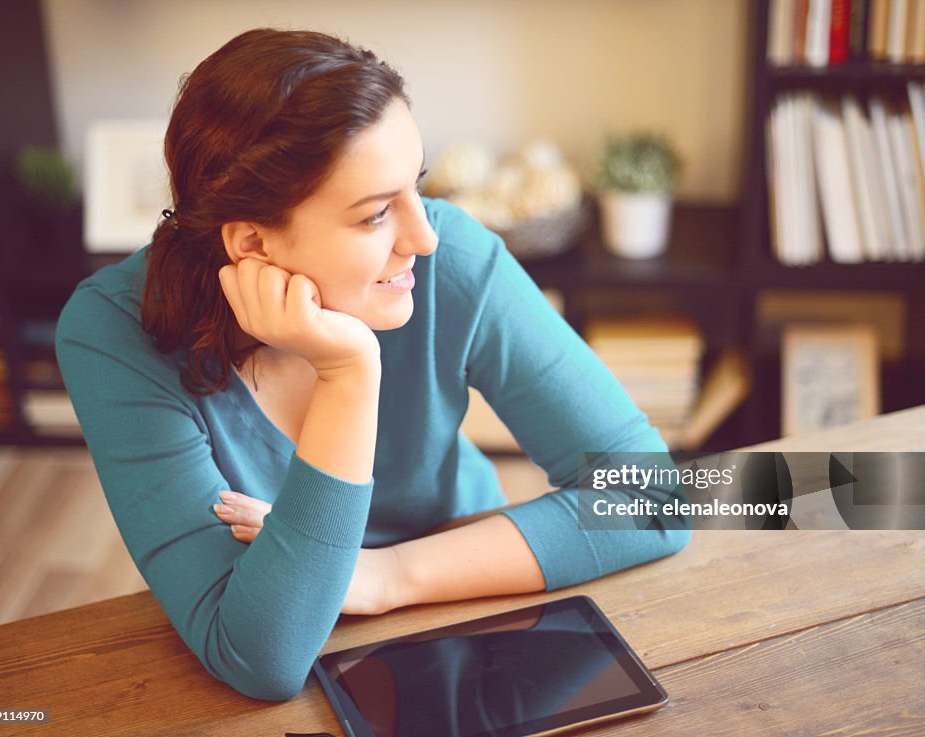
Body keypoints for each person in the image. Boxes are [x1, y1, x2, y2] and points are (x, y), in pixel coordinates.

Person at [55, 28, 690, 702]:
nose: (423, 237)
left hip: (469, 592)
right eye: (375, 214)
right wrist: (349, 373)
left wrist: (383, 576)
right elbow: (260, 656)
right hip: (288, 628)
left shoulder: (454, 259)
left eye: (415, 188)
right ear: (250, 241)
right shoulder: (110, 332)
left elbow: (652, 498)